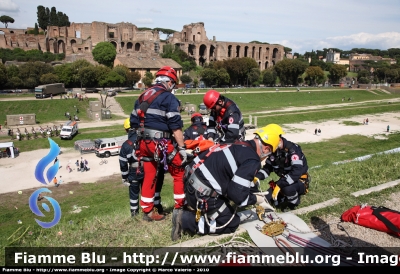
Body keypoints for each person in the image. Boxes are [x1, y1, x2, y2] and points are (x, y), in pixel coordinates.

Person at [171, 125, 279, 241]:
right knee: (230, 222)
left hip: (190, 185)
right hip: (200, 193)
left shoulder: (238, 144)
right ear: (266, 149)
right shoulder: (252, 160)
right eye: (269, 154)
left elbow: (240, 179)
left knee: (227, 204)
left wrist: (255, 192)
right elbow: (237, 196)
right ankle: (186, 220)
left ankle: (195, 211)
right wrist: (256, 199)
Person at [130, 66, 187, 222]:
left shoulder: (142, 96)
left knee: (149, 173)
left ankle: (147, 212)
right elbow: (175, 126)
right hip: (159, 142)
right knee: (179, 170)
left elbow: (133, 122)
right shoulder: (169, 98)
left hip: (142, 142)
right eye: (173, 84)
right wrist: (181, 148)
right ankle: (180, 208)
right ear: (169, 82)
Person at [255, 124, 310, 211]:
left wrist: (280, 184)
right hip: (284, 181)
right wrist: (257, 177)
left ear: (278, 139)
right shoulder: (274, 151)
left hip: (298, 181)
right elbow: (267, 169)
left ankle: (294, 203)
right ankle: (282, 198)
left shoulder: (293, 150)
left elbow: (296, 173)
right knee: (266, 198)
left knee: (287, 188)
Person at [119, 118, 147, 217]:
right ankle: (147, 212)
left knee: (134, 194)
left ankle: (134, 214)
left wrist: (124, 177)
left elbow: (123, 164)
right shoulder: (145, 140)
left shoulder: (126, 145)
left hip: (133, 173)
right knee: (146, 191)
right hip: (146, 170)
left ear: (126, 130)